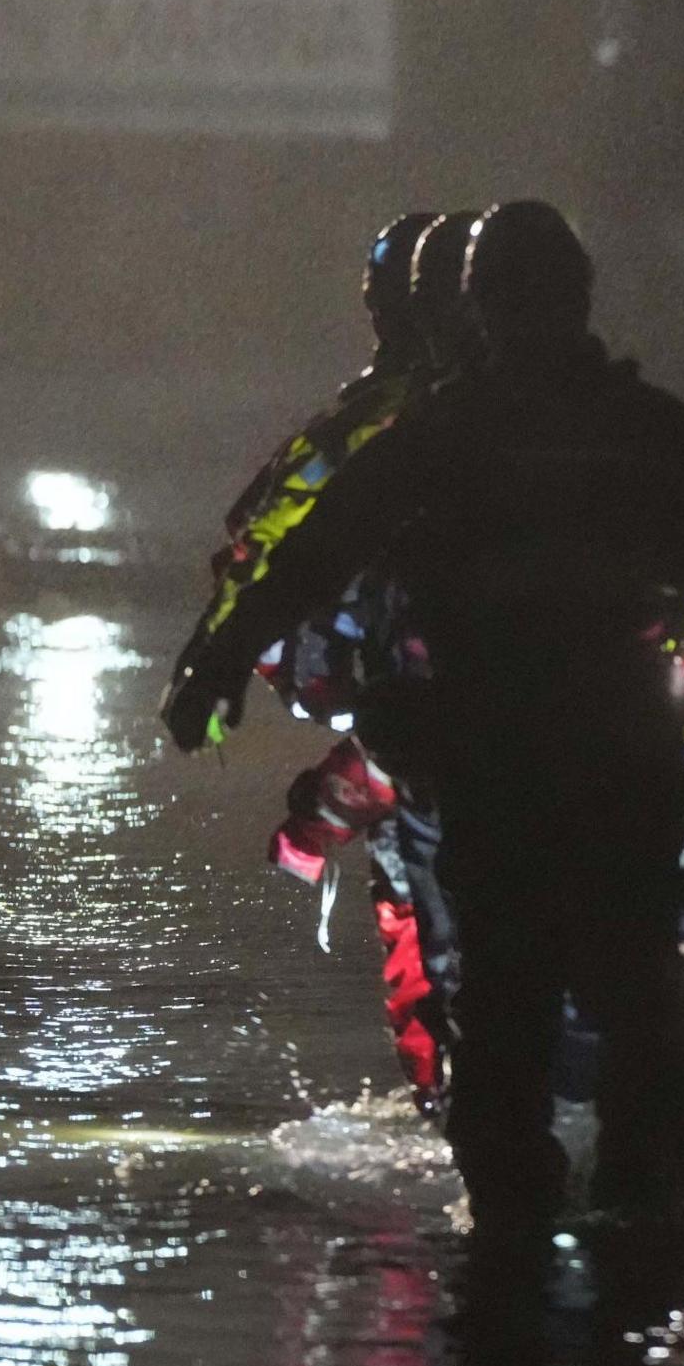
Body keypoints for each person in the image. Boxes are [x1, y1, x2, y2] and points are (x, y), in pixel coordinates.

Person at [184, 201, 684, 1233]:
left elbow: (308, 553)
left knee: (507, 1017)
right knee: (635, 1002)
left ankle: (524, 1237)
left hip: (498, 767)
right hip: (603, 759)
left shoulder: (446, 433)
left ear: (480, 308)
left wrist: (216, 663)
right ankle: (636, 1226)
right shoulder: (627, 427)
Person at [164, 210, 471, 1105]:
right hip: (447, 726)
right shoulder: (401, 433)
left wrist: (214, 662)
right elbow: (285, 551)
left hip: (490, 729)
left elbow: (277, 550)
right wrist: (216, 661)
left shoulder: (405, 432)